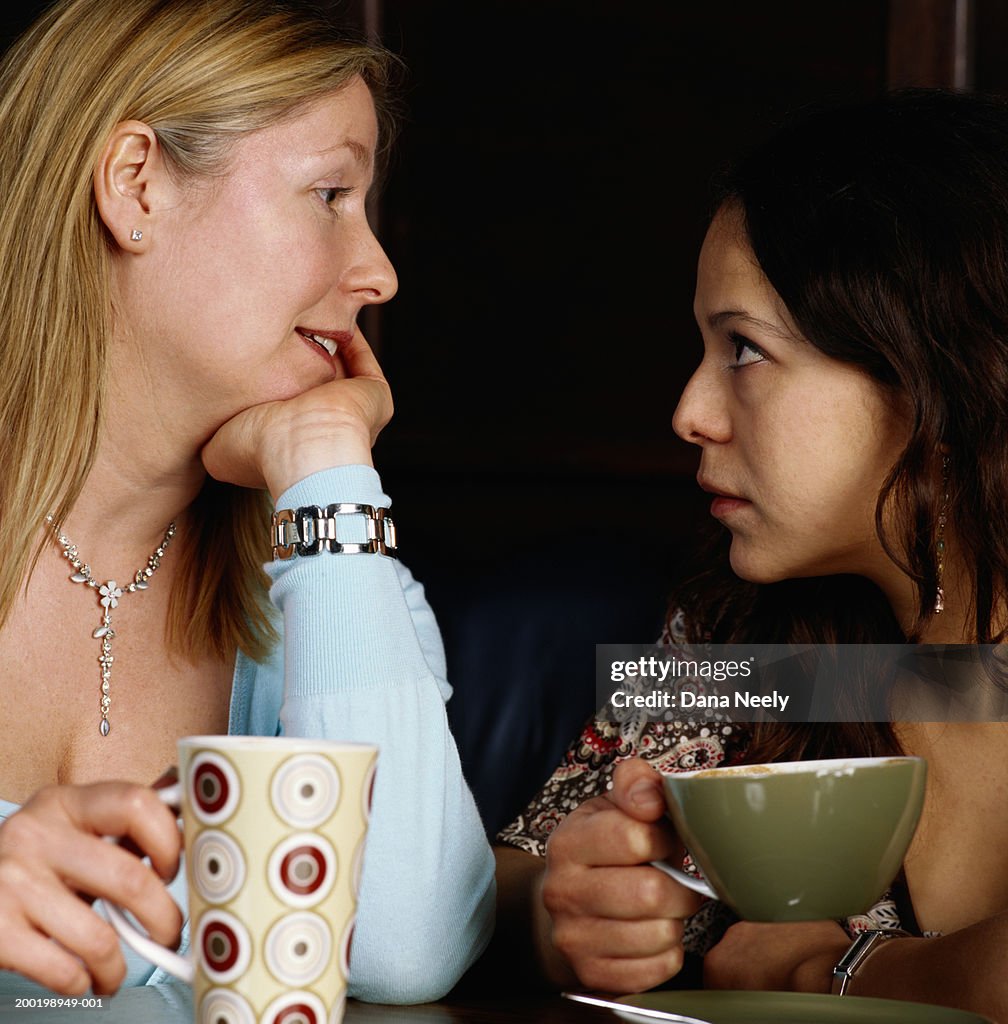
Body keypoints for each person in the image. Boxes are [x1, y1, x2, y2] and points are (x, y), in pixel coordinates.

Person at [0, 0, 493, 1003]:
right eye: (328, 194)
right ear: (136, 184)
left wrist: (326, 464)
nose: (380, 272)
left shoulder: (325, 569)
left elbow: (403, 948)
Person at [492, 88, 1008, 1021]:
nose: (688, 411)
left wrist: (834, 971)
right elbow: (513, 876)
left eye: (744, 350)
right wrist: (558, 913)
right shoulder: (746, 641)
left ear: (935, 376)